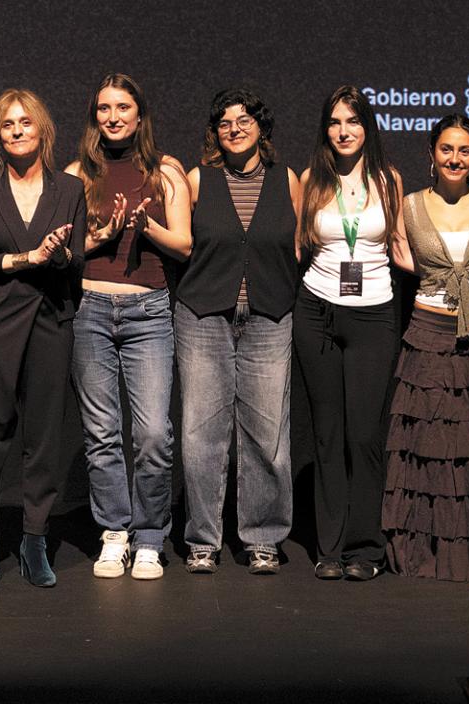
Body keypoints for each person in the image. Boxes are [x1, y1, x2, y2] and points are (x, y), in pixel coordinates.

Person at [64, 74, 192, 581]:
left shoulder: (166, 171)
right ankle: (114, 533)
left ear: (140, 116)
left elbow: (183, 245)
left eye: (123, 108)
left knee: (154, 434)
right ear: (95, 116)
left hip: (149, 312)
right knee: (101, 432)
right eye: (103, 108)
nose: (113, 117)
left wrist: (147, 228)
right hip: (91, 309)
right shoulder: (77, 174)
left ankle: (150, 537)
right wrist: (104, 235)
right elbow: (69, 250)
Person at [383, 114, 469, 580]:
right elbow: (404, 259)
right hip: (428, 335)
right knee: (430, 446)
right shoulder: (410, 206)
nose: (455, 159)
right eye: (446, 149)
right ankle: (427, 553)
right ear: (431, 154)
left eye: (464, 150)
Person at [173, 88, 302, 575]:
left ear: (261, 128)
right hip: (204, 316)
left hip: (269, 316)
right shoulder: (197, 179)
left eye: (244, 119)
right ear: (215, 132)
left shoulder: (286, 180)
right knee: (201, 431)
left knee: (267, 432)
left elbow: (296, 247)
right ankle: (202, 538)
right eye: (225, 122)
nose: (234, 128)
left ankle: (263, 537)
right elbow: (183, 245)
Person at [0, 90, 84, 589]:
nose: (16, 130)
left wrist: (54, 253)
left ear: (42, 131)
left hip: (50, 319)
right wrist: (21, 259)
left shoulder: (68, 188)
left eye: (25, 122)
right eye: (7, 124)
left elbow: (75, 260)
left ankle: (35, 538)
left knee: (43, 437)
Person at [292, 85, 406, 582]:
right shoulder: (311, 181)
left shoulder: (389, 180)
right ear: (326, 128)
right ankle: (330, 549)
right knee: (326, 434)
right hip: (316, 311)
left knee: (364, 435)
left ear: (368, 127)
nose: (344, 131)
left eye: (353, 121)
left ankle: (367, 548)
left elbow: (402, 250)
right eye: (336, 122)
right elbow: (297, 249)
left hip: (374, 314)